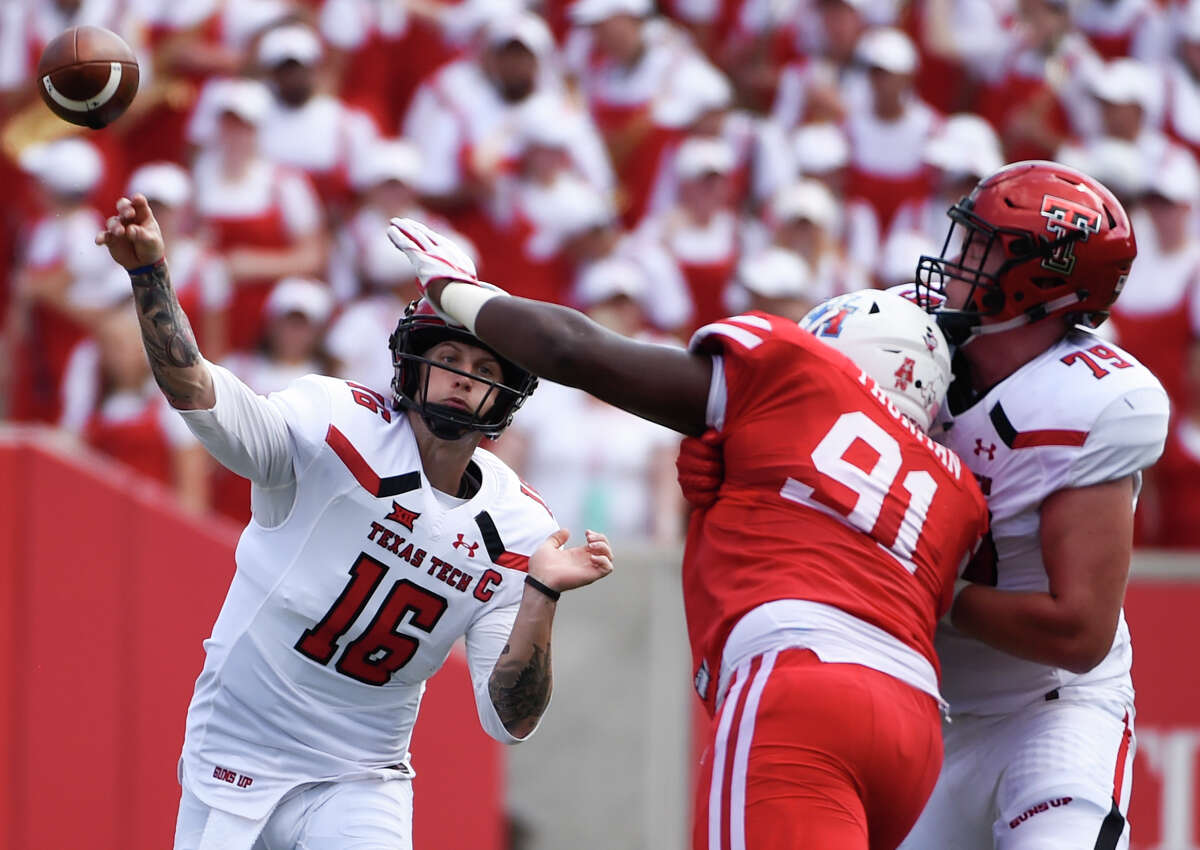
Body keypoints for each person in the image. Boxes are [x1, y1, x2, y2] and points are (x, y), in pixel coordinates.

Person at [386, 218, 990, 849]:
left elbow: (572, 350)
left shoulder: (800, 374)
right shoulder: (959, 491)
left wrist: (455, 291)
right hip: (916, 723)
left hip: (802, 682)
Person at [95, 195, 614, 850]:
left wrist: (540, 595)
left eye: (484, 371)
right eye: (450, 360)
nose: (463, 380)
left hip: (362, 773)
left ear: (502, 399)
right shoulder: (337, 425)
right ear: (414, 363)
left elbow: (508, 720)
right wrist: (150, 274)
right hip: (237, 746)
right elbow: (197, 392)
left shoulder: (520, 528)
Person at [896, 160, 1170, 849]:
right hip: (926, 708)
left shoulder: (1086, 402)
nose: (955, 260)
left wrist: (927, 590)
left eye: (979, 246)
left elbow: (1078, 633)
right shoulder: (901, 340)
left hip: (1050, 712)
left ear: (1036, 278)